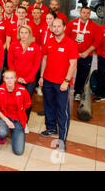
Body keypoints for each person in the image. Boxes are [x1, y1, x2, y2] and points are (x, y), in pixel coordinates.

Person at [39, 18, 79, 150]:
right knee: (49, 106)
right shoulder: (49, 42)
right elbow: (44, 59)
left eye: (58, 26)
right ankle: (51, 128)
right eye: (53, 26)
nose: (56, 29)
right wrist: (41, 77)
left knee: (63, 111)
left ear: (64, 27)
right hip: (48, 81)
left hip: (62, 83)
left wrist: (66, 81)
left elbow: (73, 64)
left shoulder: (70, 43)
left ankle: (62, 139)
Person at [65, 7, 102, 101]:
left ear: (90, 14)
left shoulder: (94, 26)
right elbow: (66, 38)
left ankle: (78, 92)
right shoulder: (72, 24)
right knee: (66, 71)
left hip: (86, 55)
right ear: (80, 13)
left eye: (88, 13)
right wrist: (72, 51)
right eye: (84, 12)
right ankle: (64, 89)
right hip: (71, 54)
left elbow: (97, 42)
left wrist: (87, 52)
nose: (85, 14)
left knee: (82, 75)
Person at [7, 25, 41, 127]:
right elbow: (10, 62)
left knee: (26, 102)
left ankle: (24, 122)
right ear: (19, 34)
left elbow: (36, 65)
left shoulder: (35, 46)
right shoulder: (13, 45)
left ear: (29, 34)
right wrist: (15, 78)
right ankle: (12, 119)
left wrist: (27, 78)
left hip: (29, 80)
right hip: (15, 79)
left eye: (26, 33)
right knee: (14, 100)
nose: (23, 35)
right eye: (21, 33)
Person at [0, 70, 31, 155]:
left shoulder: (22, 90)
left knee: (18, 151)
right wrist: (7, 121)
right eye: (7, 78)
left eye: (12, 78)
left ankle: (15, 131)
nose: (9, 80)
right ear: (4, 79)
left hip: (18, 119)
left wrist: (21, 110)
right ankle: (3, 136)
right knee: (2, 132)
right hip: (4, 117)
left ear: (15, 79)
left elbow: (28, 103)